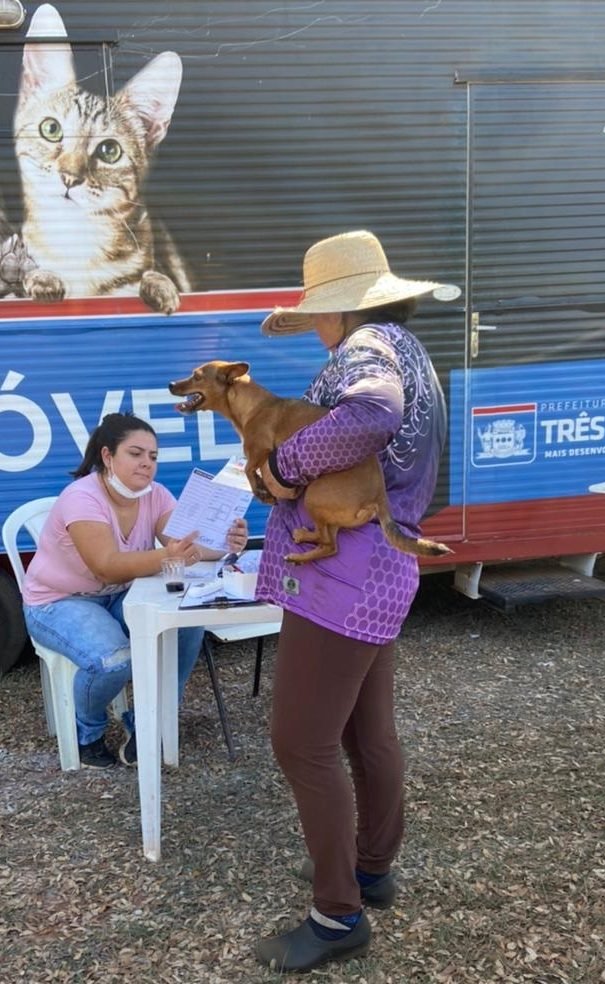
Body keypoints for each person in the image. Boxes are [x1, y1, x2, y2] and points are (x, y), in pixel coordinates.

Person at [254, 230, 448, 973]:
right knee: (368, 734)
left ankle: (337, 917)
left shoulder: (364, 354)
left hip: (342, 577)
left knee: (301, 742)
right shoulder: (411, 351)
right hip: (385, 570)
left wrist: (281, 465)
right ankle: (370, 868)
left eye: (317, 319)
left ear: (335, 312)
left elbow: (368, 416)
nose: (316, 332)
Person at [22, 412, 248, 770]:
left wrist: (227, 544)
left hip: (118, 595)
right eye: (136, 453)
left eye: (153, 456)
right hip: (59, 601)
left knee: (185, 623)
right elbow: (106, 566)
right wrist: (166, 556)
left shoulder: (155, 495)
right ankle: (88, 731)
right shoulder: (81, 497)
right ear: (108, 456)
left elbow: (187, 544)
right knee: (112, 661)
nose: (147, 464)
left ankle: (147, 721)